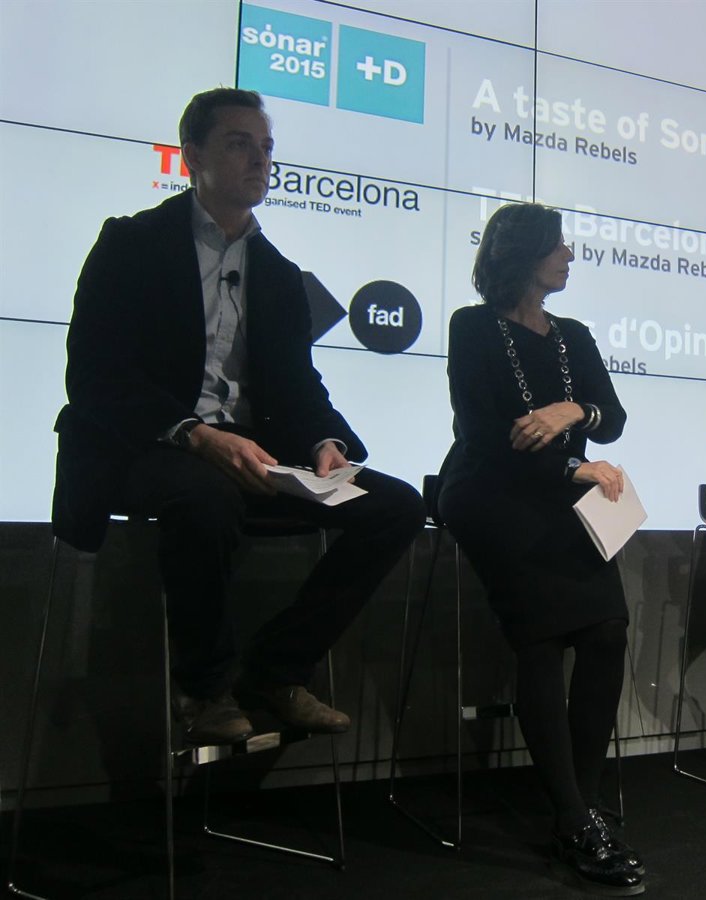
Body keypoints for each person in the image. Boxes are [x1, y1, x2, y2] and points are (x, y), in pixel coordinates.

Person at [53, 88, 426, 747]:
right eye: (239, 144)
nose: (259, 159)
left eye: (266, 147)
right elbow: (94, 377)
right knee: (205, 494)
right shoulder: (131, 243)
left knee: (394, 507)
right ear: (193, 155)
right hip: (144, 446)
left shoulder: (277, 272)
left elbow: (298, 384)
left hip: (249, 454)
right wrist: (196, 435)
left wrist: (326, 442)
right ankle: (203, 689)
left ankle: (276, 672)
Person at [437, 203, 644, 893]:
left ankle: (577, 803)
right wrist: (571, 465)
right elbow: (483, 433)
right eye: (559, 245)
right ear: (524, 254)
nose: (570, 255)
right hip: (489, 491)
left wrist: (574, 411)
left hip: (560, 498)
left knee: (608, 631)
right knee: (544, 640)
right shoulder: (473, 327)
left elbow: (612, 419)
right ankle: (576, 818)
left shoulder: (572, 336)